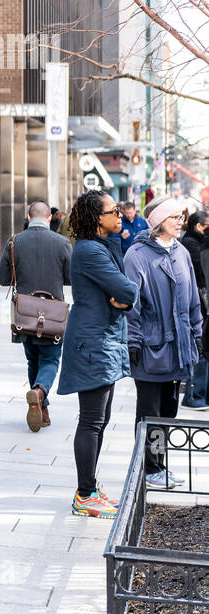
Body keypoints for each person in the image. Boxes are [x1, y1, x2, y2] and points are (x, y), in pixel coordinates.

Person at [57, 191, 139, 519]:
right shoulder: (91, 250)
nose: (120, 216)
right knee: (91, 420)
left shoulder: (102, 246)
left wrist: (124, 295)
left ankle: (89, 487)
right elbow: (128, 289)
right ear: (96, 218)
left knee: (99, 420)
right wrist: (124, 295)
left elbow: (124, 290)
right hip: (93, 343)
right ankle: (84, 494)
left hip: (102, 340)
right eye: (113, 211)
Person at [124, 196, 203, 488]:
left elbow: (192, 298)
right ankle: (148, 468)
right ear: (158, 222)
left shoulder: (180, 252)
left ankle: (159, 465)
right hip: (150, 347)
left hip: (178, 348)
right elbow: (131, 305)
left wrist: (197, 334)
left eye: (182, 217)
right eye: (175, 217)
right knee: (150, 412)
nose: (181, 222)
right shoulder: (137, 256)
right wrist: (133, 342)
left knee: (168, 411)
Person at [0, 201, 71, 432]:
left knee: (33, 360)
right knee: (50, 360)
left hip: (24, 314)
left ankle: (42, 408)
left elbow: (2, 278)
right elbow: (70, 277)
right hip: (52, 314)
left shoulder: (15, 241)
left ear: (29, 217)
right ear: (49, 218)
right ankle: (39, 393)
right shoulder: (62, 242)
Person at [180, 211, 209, 409]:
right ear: (199, 226)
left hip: (200, 300)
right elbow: (199, 273)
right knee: (201, 348)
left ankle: (196, 394)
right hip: (197, 301)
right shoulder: (192, 243)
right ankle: (193, 394)